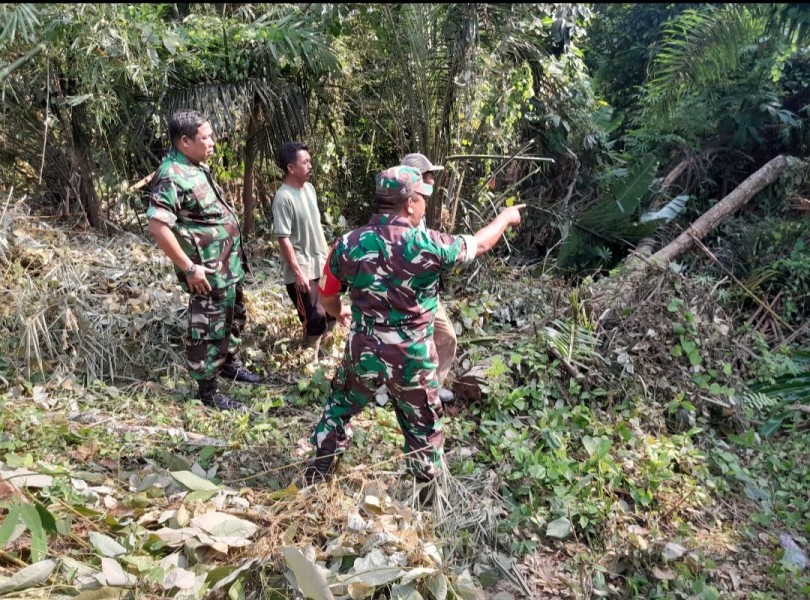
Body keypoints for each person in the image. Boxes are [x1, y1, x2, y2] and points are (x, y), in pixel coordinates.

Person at [305, 165, 525, 485]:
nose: (425, 205)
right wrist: (505, 218)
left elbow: (325, 297)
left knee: (339, 407)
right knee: (422, 426)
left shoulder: (349, 244)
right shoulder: (429, 244)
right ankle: (423, 494)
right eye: (422, 198)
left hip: (363, 349)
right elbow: (479, 244)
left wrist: (340, 314)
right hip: (412, 358)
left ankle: (319, 471)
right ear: (409, 203)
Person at [147, 110, 262, 413]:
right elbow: (158, 226)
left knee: (233, 318)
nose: (212, 142)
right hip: (206, 271)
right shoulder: (172, 174)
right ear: (184, 141)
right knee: (208, 327)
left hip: (227, 266)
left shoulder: (195, 167)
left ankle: (230, 365)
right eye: (205, 137)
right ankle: (207, 390)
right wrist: (189, 268)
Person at [401, 152, 456, 405]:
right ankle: (408, 391)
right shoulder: (403, 210)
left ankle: (431, 386)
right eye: (429, 176)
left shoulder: (419, 207)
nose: (433, 181)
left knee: (445, 338)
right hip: (411, 295)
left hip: (427, 293)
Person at [272, 142, 334, 358]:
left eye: (310, 160)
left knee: (330, 312)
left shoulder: (309, 189)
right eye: (305, 162)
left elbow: (316, 228)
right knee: (314, 318)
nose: (310, 165)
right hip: (303, 270)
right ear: (291, 168)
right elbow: (284, 239)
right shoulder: (283, 198)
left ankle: (325, 356)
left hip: (321, 264)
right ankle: (308, 362)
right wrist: (298, 273)